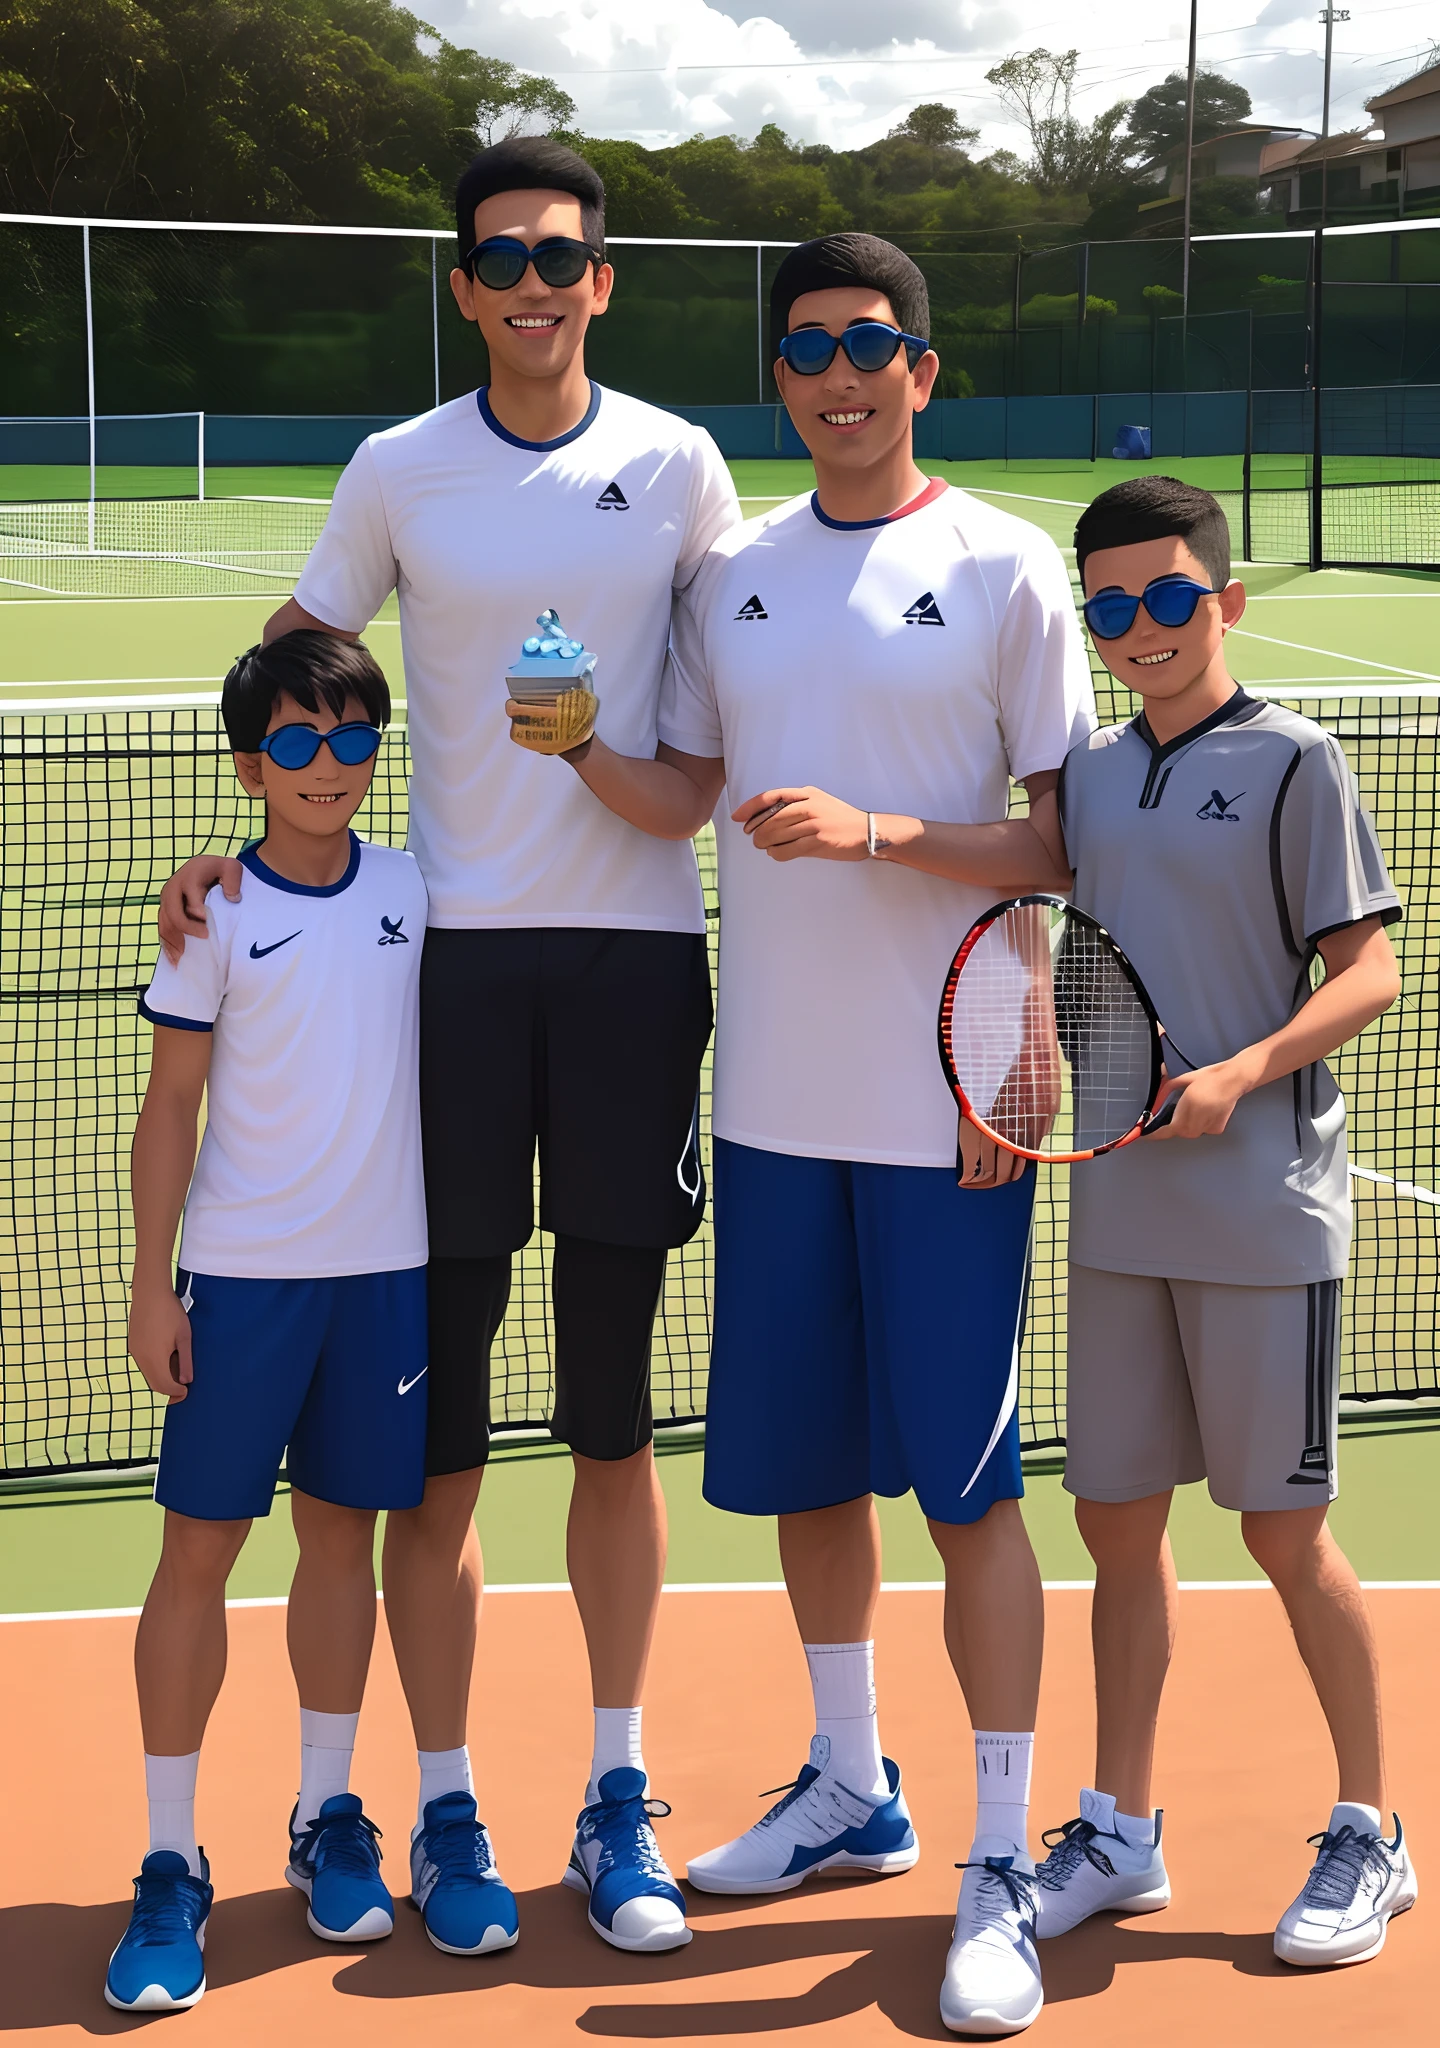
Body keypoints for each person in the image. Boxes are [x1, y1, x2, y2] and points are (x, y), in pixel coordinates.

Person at [155, 135, 739, 1956]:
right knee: (447, 1445)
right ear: (467, 283)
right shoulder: (399, 465)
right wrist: (234, 821)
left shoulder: (682, 464)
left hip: (640, 963)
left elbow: (715, 747)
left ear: (601, 278)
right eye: (506, 254)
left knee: (613, 1418)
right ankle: (445, 1797)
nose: (538, 279)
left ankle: (619, 1787)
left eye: (566, 252)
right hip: (462, 976)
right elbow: (299, 650)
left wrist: (593, 762)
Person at [524, 231, 1095, 2036]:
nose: (838, 376)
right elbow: (685, 788)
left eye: (870, 345)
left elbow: (1061, 842)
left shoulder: (1004, 564)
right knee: (814, 1477)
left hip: (951, 1114)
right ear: (779, 381)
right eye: (805, 351)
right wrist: (570, 753)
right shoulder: (733, 578)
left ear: (923, 369)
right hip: (769, 1112)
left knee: (973, 1488)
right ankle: (853, 1786)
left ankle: (999, 1859)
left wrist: (892, 856)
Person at [1034, 475, 1417, 1968]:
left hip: (1261, 1215)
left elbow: (1369, 966)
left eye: (1170, 597)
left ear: (1225, 601)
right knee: (1115, 1524)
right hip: (1119, 1207)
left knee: (1284, 1531)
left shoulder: (1293, 761)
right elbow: (1040, 883)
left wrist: (1249, 1068)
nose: (1142, 627)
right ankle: (1122, 1827)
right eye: (1112, 605)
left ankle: (1369, 1831)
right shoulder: (1094, 768)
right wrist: (870, 836)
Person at [107, 633, 450, 2010]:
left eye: (353, 737)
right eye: (297, 743)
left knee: (340, 1548)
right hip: (241, 1287)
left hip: (387, 1283)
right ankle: (170, 1857)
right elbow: (168, 1110)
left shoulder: (421, 892)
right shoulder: (216, 915)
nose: (327, 764)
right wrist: (151, 1282)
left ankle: (324, 1817)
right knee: (197, 1557)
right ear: (250, 766)